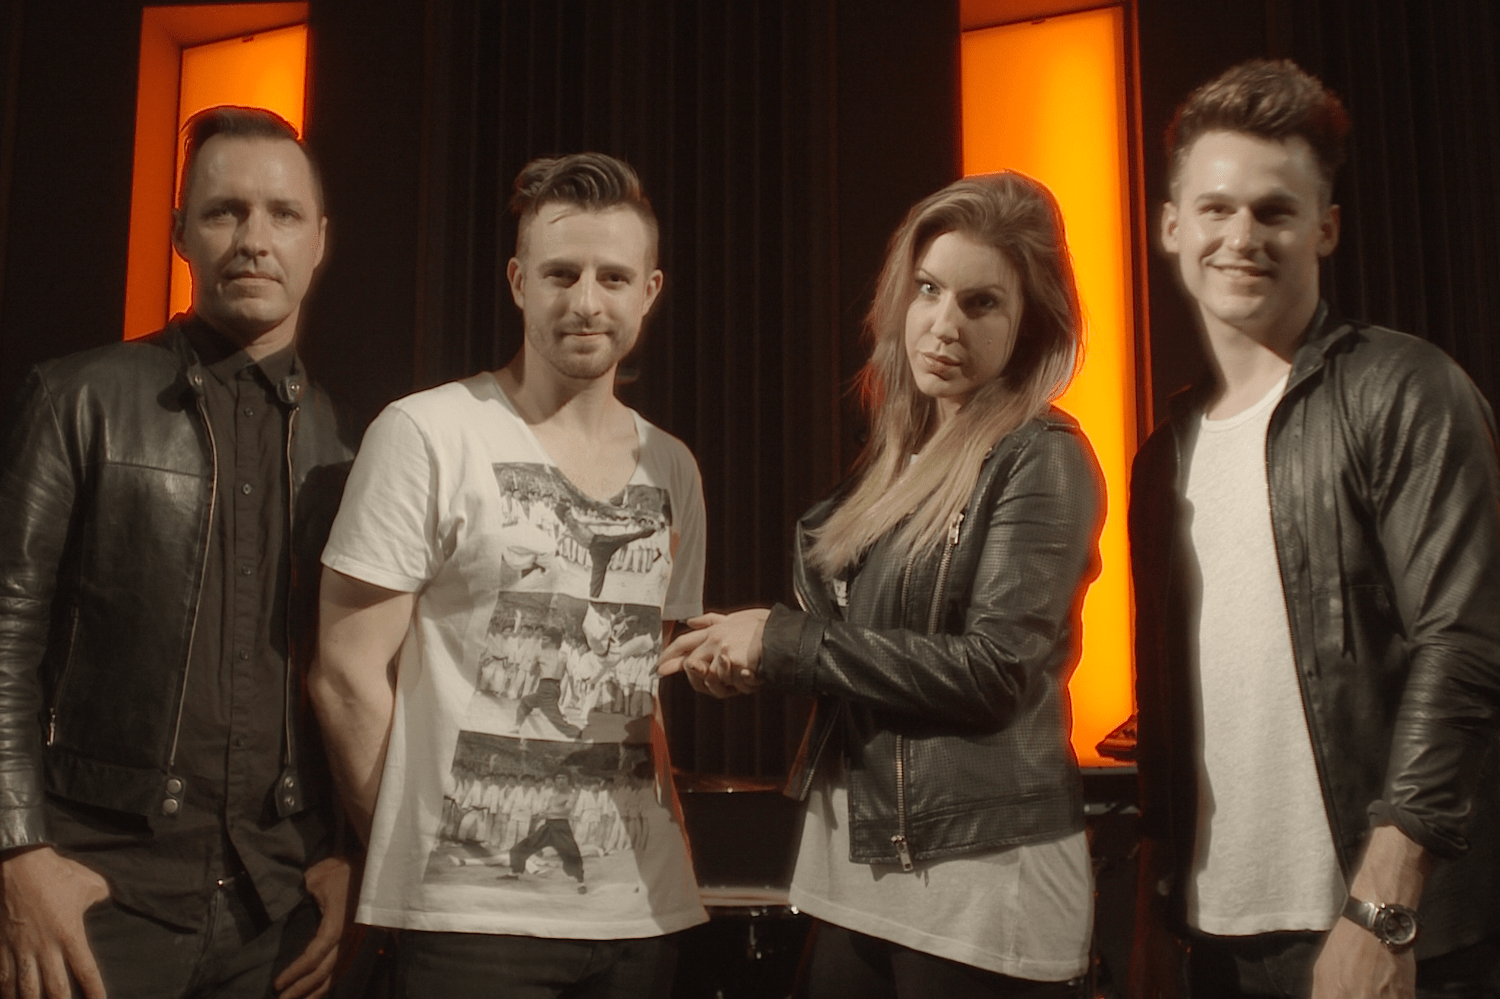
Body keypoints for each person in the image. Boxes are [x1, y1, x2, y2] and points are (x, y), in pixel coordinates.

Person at [661, 171, 1103, 998]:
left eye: (982, 303)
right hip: (862, 868)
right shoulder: (896, 466)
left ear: (1031, 325)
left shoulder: (1042, 456)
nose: (944, 323)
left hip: (977, 878)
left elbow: (995, 670)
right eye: (929, 289)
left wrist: (784, 642)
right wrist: (752, 655)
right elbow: (868, 657)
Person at [1129, 59, 1500, 999]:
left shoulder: (1407, 389)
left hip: (1385, 939)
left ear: (1324, 228)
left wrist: (1383, 908)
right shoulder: (1161, 455)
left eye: (1275, 211)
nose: (1241, 235)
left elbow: (1466, 645)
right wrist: (1153, 902)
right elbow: (1168, 707)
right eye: (1215, 208)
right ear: (1171, 225)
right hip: (1212, 942)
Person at [312, 152, 707, 999]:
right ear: (519, 281)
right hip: (469, 919)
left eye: (613, 277)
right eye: (561, 273)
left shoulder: (672, 466)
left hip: (640, 910)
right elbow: (345, 675)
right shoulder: (426, 432)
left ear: (650, 291)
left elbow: (642, 689)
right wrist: (410, 854)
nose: (586, 301)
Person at [0, 106, 357, 999]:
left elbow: (362, 670)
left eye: (283, 214)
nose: (254, 238)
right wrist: (16, 853)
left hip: (277, 908)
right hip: (94, 892)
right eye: (224, 211)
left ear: (320, 240)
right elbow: (4, 640)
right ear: (179, 234)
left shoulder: (350, 445)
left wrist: (352, 849)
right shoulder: (77, 398)